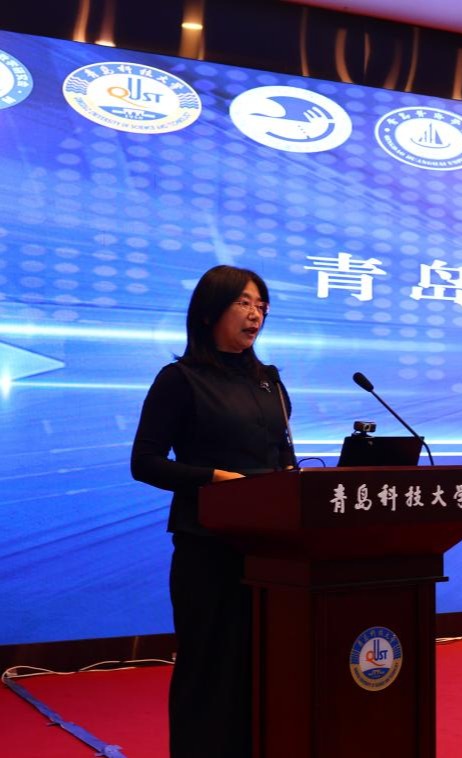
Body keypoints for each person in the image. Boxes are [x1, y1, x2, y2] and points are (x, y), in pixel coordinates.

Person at [131, 264, 294, 758]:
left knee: (265, 666)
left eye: (261, 305)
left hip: (272, 549)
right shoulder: (180, 379)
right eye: (243, 303)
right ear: (209, 312)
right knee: (209, 668)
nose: (255, 314)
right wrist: (213, 478)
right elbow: (145, 462)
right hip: (208, 546)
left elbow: (282, 458)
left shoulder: (269, 381)